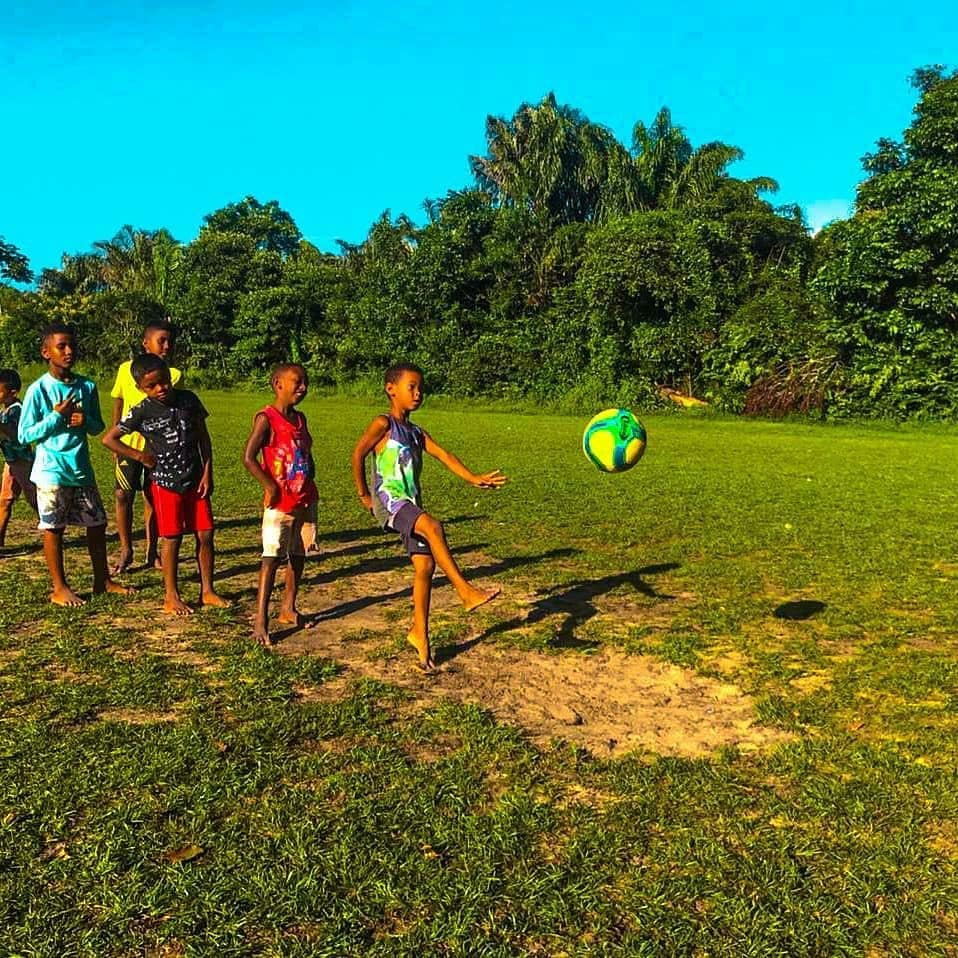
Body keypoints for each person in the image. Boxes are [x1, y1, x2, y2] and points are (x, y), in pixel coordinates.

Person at [351, 362, 506, 670]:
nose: (418, 393)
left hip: (411, 501)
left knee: (425, 566)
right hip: (391, 502)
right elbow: (357, 454)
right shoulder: (383, 423)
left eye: (421, 388)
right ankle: (465, 591)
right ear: (391, 389)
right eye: (412, 387)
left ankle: (419, 634)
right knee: (433, 526)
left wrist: (473, 477)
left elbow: (444, 455)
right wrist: (364, 495)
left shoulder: (416, 432)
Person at [101, 354, 227, 615]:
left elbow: (204, 437)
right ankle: (171, 595)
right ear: (141, 388)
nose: (161, 389)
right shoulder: (142, 410)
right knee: (172, 538)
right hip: (165, 484)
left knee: (205, 534)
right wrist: (139, 456)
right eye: (152, 386)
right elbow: (109, 439)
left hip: (195, 480)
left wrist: (208, 472)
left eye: (164, 382)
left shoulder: (189, 400)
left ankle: (208, 590)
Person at [17, 323, 132, 605]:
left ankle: (102, 579)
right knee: (54, 527)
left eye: (72, 346)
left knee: (97, 524)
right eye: (61, 347)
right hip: (51, 471)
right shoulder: (38, 390)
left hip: (81, 469)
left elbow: (98, 427)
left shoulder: (87, 386)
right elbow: (24, 435)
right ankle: (59, 587)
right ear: (47, 352)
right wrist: (57, 417)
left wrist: (85, 421)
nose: (69, 352)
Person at [243, 363, 319, 646]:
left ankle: (288, 607)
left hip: (305, 498)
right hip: (280, 502)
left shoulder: (301, 419)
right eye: (297, 382)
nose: (303, 388)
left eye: (305, 383)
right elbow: (249, 457)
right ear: (277, 384)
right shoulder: (267, 418)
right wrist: (269, 485)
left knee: (299, 553)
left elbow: (306, 452)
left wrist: (310, 477)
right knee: (271, 557)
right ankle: (260, 620)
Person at [109, 318, 182, 574]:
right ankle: (126, 548)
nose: (166, 345)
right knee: (122, 495)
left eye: (169, 341)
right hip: (130, 446)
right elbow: (118, 402)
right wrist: (116, 444)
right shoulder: (125, 369)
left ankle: (153, 551)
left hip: (157, 450)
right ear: (145, 342)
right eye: (161, 340)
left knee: (153, 497)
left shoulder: (174, 375)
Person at [0, 368, 39, 552]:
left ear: (12, 392)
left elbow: (16, 435)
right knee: (5, 500)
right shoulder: (5, 410)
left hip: (23, 462)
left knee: (34, 499)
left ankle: (53, 525)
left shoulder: (17, 410)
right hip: (11, 462)